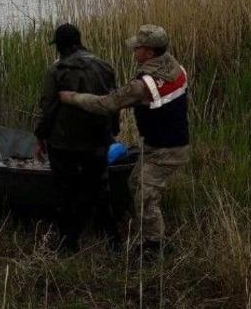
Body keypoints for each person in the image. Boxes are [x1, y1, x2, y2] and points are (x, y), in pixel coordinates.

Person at [58, 24, 189, 260]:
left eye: (137, 48)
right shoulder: (176, 68)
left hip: (165, 150)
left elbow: (105, 104)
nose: (134, 52)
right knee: (135, 182)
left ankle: (154, 247)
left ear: (149, 52)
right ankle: (150, 236)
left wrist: (72, 97)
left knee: (144, 199)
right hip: (164, 145)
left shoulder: (142, 86)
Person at [33, 23, 119, 254]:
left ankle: (68, 244)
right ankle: (113, 241)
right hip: (98, 139)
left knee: (65, 192)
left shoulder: (56, 71)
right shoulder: (105, 66)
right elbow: (115, 102)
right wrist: (113, 132)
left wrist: (40, 137)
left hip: (64, 142)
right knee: (101, 188)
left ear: (62, 46)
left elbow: (48, 107)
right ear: (79, 41)